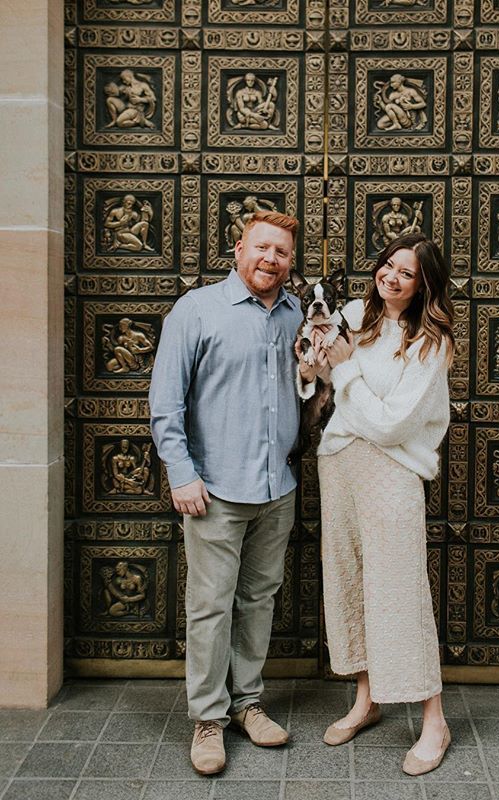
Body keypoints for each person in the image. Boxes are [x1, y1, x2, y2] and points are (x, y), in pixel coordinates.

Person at [150, 210, 302, 775]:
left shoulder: (296, 314)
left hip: (277, 487)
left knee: (258, 599)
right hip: (213, 490)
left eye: (282, 253)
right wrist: (181, 475)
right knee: (210, 607)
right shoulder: (197, 310)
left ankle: (248, 704)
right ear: (238, 250)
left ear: (290, 262)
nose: (271, 259)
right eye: (262, 248)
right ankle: (208, 719)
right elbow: (166, 402)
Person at [298, 232, 455, 776]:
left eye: (406, 272)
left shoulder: (431, 345)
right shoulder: (353, 317)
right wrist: (317, 365)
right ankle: (367, 700)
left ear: (423, 284)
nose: (390, 276)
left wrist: (344, 371)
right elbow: (327, 382)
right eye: (387, 265)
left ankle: (434, 719)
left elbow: (392, 423)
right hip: (340, 461)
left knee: (399, 590)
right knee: (351, 582)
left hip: (391, 471)